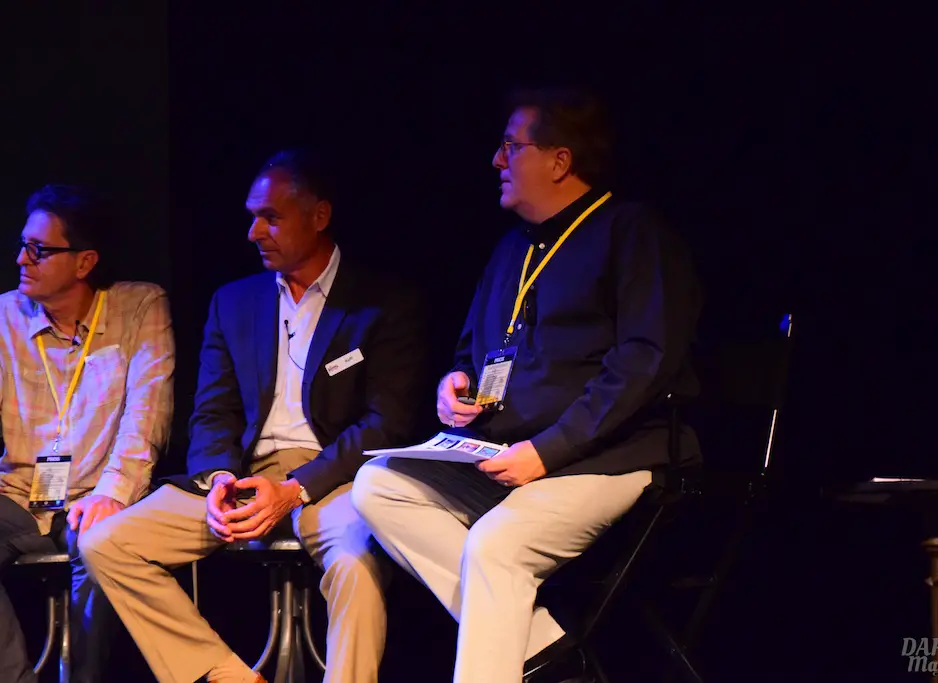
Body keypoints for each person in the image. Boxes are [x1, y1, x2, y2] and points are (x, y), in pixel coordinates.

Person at [351, 88, 703, 683]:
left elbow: (644, 362)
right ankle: (542, 643)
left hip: (606, 457)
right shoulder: (512, 248)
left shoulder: (631, 231)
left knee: (496, 545)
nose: (496, 160)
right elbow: (474, 350)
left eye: (511, 147)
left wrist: (548, 450)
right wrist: (457, 385)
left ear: (560, 160)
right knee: (378, 487)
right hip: (508, 455)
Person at [81, 149, 427, 683]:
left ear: (319, 215)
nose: (253, 232)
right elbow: (212, 411)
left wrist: (293, 489)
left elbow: (386, 423)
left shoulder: (382, 302)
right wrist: (219, 478)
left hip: (333, 478)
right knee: (105, 543)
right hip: (243, 476)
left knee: (355, 564)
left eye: (271, 217)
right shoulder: (234, 302)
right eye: (251, 216)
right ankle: (229, 677)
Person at [0, 184, 175, 683]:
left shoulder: (139, 307)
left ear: (84, 262)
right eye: (23, 245)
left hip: (94, 497)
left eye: (39, 250)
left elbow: (146, 417)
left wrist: (112, 494)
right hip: (16, 494)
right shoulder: (6, 314)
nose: (21, 259)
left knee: (104, 543)